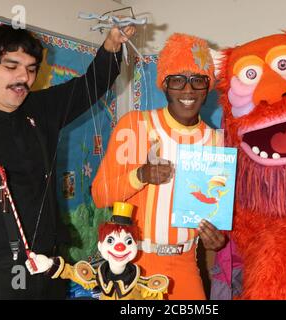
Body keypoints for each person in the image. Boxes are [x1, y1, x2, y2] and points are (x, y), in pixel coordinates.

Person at [0, 23, 135, 299]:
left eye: (32, 68)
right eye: (12, 66)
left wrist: (111, 47)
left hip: (49, 269)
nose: (24, 76)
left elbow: (91, 85)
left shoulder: (41, 109)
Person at [92, 33, 226, 300]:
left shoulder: (217, 143)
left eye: (197, 80)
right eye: (177, 80)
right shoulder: (135, 126)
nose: (187, 90)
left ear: (207, 87)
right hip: (133, 264)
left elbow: (216, 213)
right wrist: (140, 175)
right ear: (164, 85)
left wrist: (218, 239)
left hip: (185, 263)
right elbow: (99, 195)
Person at [26, 201, 169, 300]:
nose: (120, 247)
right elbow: (70, 271)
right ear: (100, 246)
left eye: (128, 241)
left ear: (135, 247)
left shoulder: (144, 287)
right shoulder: (99, 276)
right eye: (111, 241)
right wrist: (49, 265)